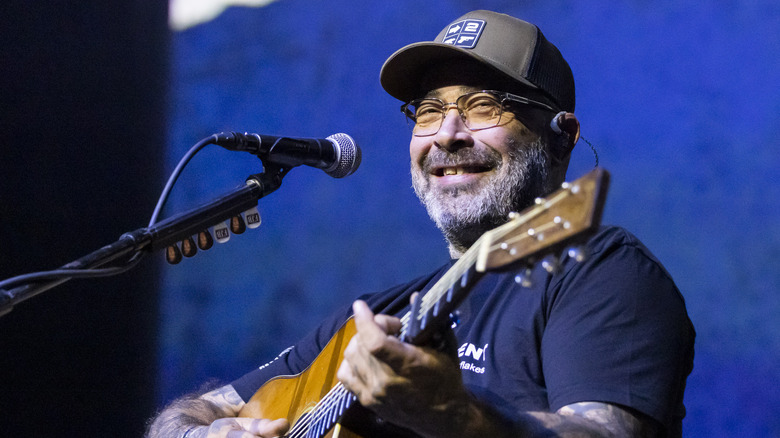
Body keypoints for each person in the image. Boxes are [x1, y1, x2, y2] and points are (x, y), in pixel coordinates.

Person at [147, 10, 695, 438]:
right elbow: (195, 411)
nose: (446, 135)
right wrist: (202, 427)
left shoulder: (601, 271)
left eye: (483, 106)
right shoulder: (374, 317)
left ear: (560, 136)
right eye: (428, 112)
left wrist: (457, 418)